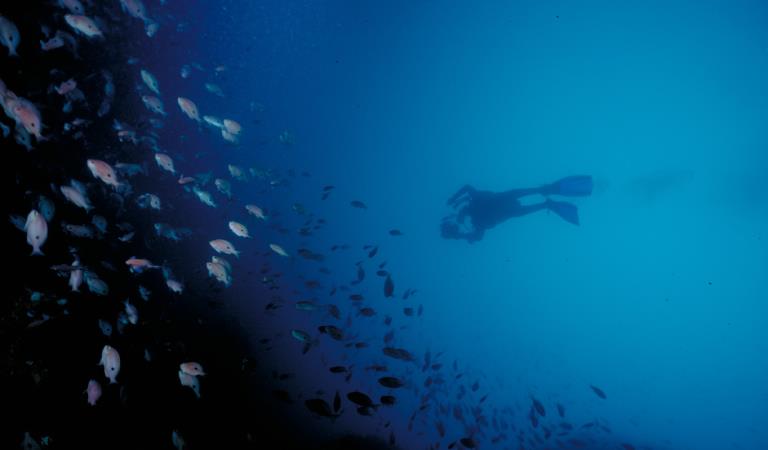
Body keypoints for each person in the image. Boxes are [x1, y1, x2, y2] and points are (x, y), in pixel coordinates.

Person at [441, 175, 593, 243]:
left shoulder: (473, 208)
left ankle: (545, 197)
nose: (460, 219)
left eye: (456, 221)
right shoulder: (476, 221)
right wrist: (460, 236)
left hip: (504, 203)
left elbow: (467, 188)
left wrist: (454, 198)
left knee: (518, 201)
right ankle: (546, 199)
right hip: (506, 206)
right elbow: (477, 237)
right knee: (520, 204)